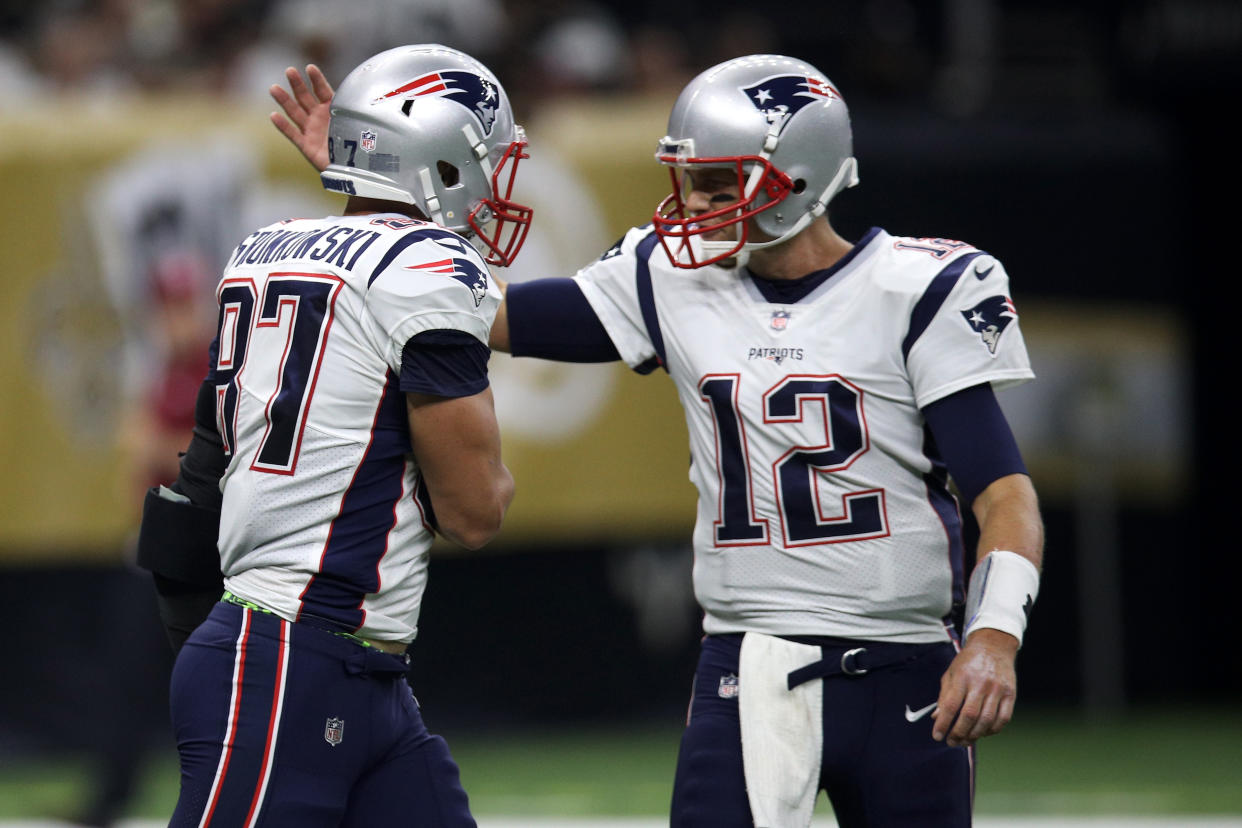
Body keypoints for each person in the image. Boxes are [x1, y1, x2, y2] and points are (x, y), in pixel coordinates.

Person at [271, 52, 1045, 827]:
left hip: (909, 661)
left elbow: (1003, 494)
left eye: (718, 183)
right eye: (690, 179)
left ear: (801, 178)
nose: (692, 205)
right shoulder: (668, 278)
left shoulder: (924, 288)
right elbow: (479, 312)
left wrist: (993, 638)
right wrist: (382, 198)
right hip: (751, 658)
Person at [136, 43, 528, 826]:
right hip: (294, 656)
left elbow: (198, 486)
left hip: (327, 663)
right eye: (481, 160)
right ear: (442, 159)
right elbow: (473, 512)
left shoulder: (264, 250)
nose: (492, 186)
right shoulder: (428, 268)